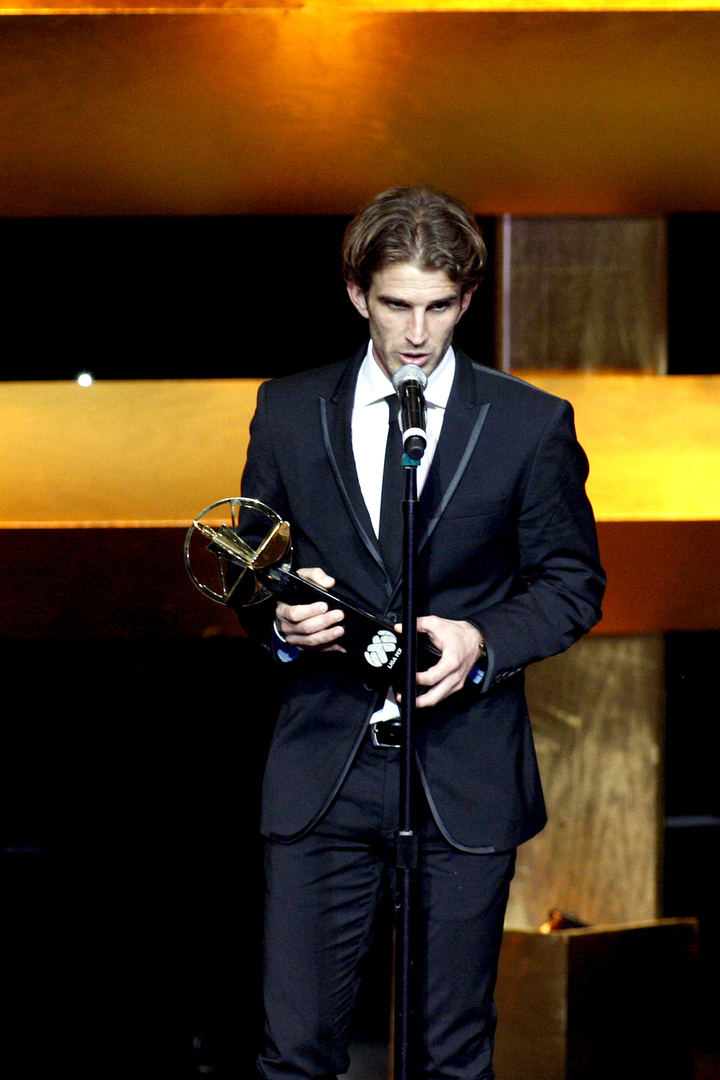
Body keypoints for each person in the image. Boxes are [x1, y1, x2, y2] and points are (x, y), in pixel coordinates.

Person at [239, 186, 605, 1080]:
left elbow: (571, 584)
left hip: (462, 767)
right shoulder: (289, 410)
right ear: (358, 293)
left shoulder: (528, 423)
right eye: (397, 304)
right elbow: (253, 561)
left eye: (439, 307)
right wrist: (282, 619)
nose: (416, 333)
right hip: (323, 765)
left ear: (467, 301)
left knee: (450, 1056)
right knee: (295, 1055)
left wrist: (482, 639)